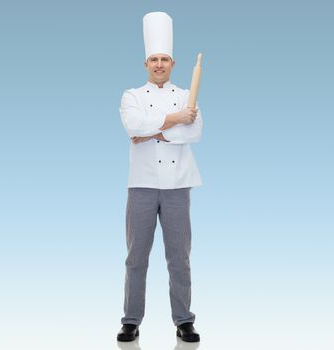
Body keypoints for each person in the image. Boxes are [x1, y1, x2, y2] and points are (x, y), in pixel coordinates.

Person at [117, 12, 203, 343]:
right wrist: (174, 119)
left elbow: (195, 130)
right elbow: (133, 126)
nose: (158, 64)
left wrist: (157, 130)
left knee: (179, 257)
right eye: (153, 59)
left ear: (173, 63)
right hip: (141, 183)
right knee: (136, 256)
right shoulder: (131, 96)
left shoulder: (186, 95)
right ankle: (131, 319)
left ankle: (184, 319)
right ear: (145, 63)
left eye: (164, 59)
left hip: (178, 185)